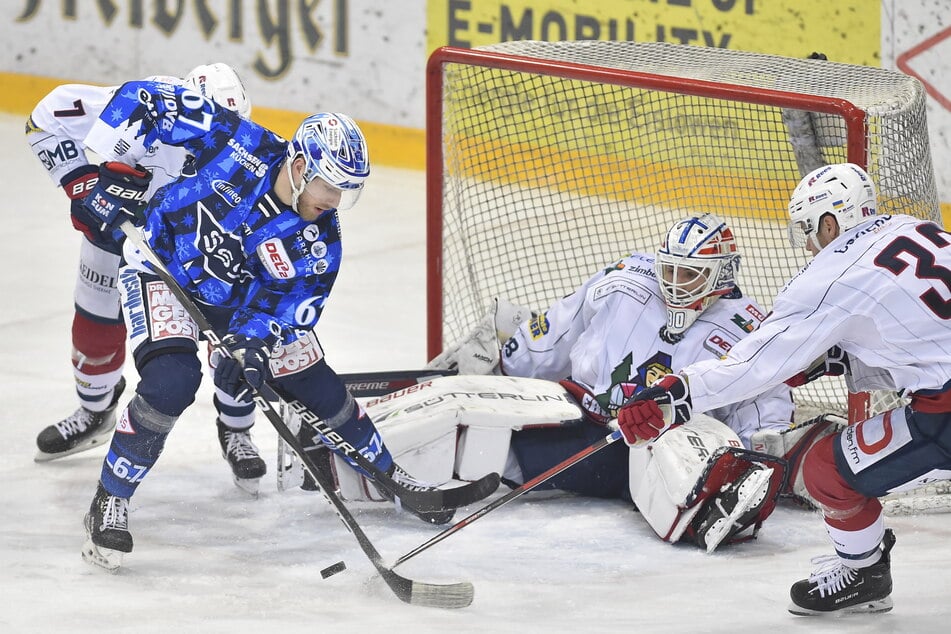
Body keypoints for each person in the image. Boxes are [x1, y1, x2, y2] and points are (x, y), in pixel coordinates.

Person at [73, 79, 491, 571]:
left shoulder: (319, 242)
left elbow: (289, 309)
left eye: (346, 192)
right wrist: (105, 169)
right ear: (299, 166)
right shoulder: (235, 141)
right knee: (172, 383)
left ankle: (394, 479)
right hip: (161, 270)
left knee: (317, 385)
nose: (334, 200)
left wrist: (251, 344)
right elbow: (143, 96)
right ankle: (110, 498)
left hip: (238, 305)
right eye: (329, 185)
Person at [614, 163, 951, 615]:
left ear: (830, 222)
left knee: (824, 471)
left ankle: (864, 572)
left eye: (808, 230)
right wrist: (844, 358)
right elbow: (922, 338)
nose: (809, 244)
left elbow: (754, 366)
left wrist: (676, 394)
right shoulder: (917, 229)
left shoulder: (831, 275)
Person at [368, 213, 801, 551]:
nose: (673, 285)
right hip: (580, 418)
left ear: (722, 275)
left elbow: (765, 408)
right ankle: (359, 457)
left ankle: (711, 508)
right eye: (668, 270)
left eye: (689, 275)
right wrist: (505, 367)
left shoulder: (750, 328)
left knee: (685, 477)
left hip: (649, 453)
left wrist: (758, 464)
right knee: (471, 436)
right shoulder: (626, 277)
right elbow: (561, 328)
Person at [25, 64, 267, 493]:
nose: (222, 140)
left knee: (233, 342)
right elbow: (44, 117)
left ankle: (237, 429)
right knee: (95, 327)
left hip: (197, 251)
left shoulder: (252, 148)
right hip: (120, 238)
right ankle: (95, 409)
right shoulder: (147, 104)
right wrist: (81, 184)